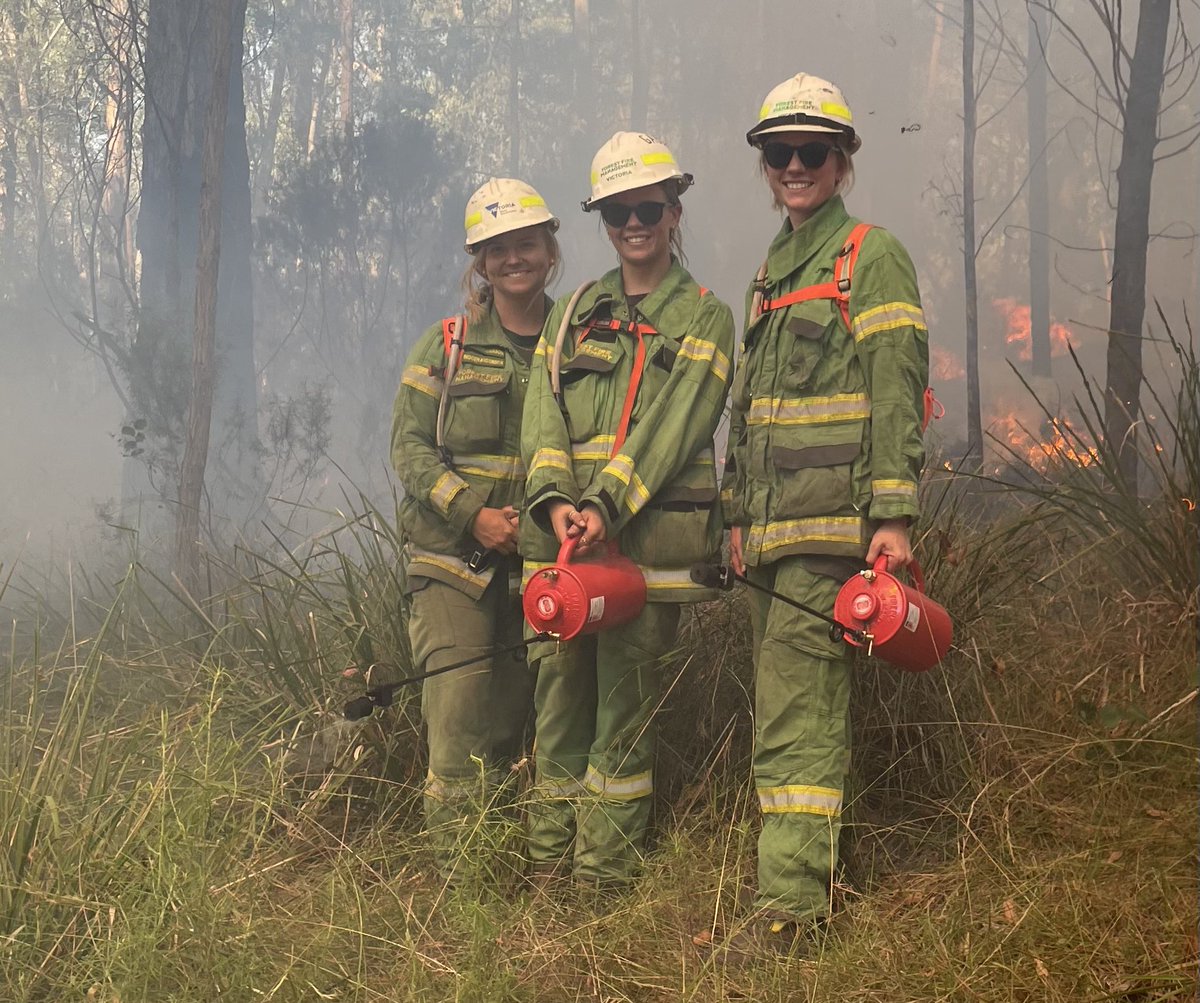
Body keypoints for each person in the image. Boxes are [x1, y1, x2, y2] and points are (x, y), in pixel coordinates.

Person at [721, 74, 930, 952]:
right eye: (781, 153)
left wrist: (894, 513)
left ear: (842, 163)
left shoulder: (868, 256)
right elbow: (751, 411)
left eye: (813, 151)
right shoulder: (771, 272)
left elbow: (896, 384)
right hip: (771, 538)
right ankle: (804, 886)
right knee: (784, 710)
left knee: (800, 715)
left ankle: (792, 915)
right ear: (766, 168)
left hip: (830, 532)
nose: (796, 165)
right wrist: (735, 515)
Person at [520, 132, 736, 889]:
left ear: (675, 212)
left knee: (622, 714)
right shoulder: (575, 310)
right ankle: (549, 867)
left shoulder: (707, 319)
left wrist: (605, 503)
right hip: (567, 552)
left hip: (644, 556)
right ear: (603, 221)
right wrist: (554, 506)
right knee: (558, 710)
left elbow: (675, 425)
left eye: (648, 208)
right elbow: (543, 416)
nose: (633, 224)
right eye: (617, 213)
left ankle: (602, 879)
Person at [390, 178, 561, 880]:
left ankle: (517, 867)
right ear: (479, 262)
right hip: (452, 566)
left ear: (550, 249)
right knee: (458, 723)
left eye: (526, 243)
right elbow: (408, 450)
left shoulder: (576, 335)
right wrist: (475, 514)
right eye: (498, 250)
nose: (514, 259)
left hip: (542, 571)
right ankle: (465, 889)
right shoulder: (448, 344)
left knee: (519, 724)